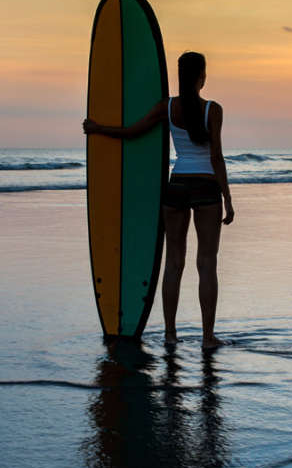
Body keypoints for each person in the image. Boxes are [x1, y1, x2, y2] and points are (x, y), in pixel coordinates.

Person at [83, 51, 234, 348]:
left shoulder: (168, 108)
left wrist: (99, 128)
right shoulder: (213, 110)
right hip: (206, 189)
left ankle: (170, 335)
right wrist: (228, 197)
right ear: (202, 77)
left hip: (176, 186)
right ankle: (206, 338)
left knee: (173, 263)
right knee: (206, 263)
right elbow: (216, 157)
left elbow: (132, 132)